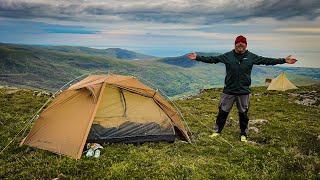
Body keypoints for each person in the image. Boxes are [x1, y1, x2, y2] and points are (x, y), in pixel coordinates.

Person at [186, 35, 297, 142]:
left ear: (245, 45)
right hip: (229, 90)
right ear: (235, 44)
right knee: (222, 112)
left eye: (242, 43)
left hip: (243, 91)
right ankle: (217, 131)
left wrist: (283, 60)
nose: (240, 45)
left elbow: (267, 60)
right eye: (238, 43)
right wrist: (197, 57)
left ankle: (243, 134)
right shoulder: (228, 56)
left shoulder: (251, 57)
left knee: (243, 113)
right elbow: (213, 59)